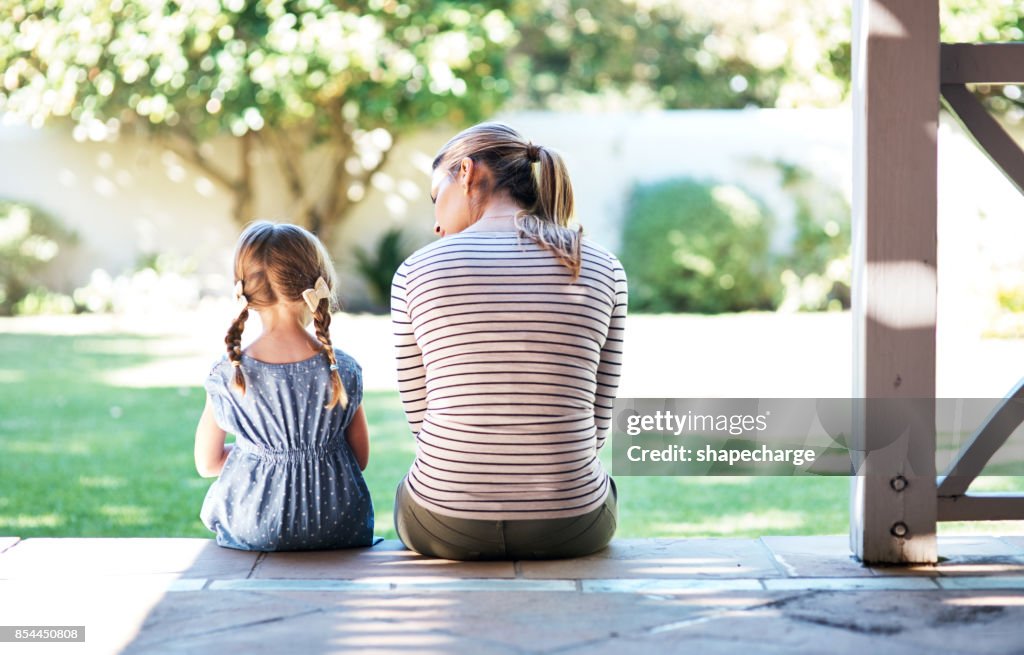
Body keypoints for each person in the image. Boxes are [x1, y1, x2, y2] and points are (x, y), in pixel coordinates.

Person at [391, 122, 628, 560]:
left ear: (465, 172)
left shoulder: (415, 272)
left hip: (445, 524)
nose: (436, 222)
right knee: (602, 485)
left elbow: (422, 421)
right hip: (571, 524)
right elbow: (597, 420)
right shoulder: (601, 266)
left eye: (434, 197)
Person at [194, 221, 375, 551]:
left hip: (255, 527)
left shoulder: (229, 373)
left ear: (245, 291)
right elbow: (359, 458)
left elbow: (207, 464)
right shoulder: (343, 368)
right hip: (338, 525)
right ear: (318, 285)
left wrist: (259, 453)